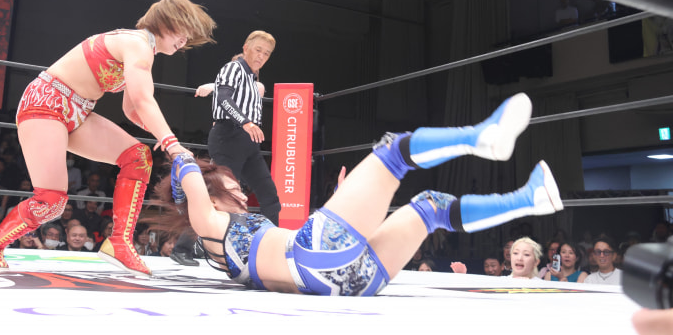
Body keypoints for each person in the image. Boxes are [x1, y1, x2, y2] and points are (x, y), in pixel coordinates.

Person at [151, 93, 564, 296]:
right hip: (316, 255)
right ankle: (481, 136)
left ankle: (529, 199)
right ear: (209, 191)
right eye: (230, 183)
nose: (240, 188)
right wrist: (175, 148)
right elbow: (189, 175)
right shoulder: (210, 224)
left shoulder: (227, 246)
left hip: (347, 280)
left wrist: (342, 204)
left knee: (431, 207)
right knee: (392, 151)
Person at [0, 0, 216, 278]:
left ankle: (119, 242)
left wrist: (165, 139)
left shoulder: (141, 49)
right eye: (184, 30)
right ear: (167, 22)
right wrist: (172, 144)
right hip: (47, 102)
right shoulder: (137, 44)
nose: (185, 40)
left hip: (78, 110)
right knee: (51, 201)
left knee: (137, 157)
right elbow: (143, 101)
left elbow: (131, 109)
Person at [205, 31, 280, 224]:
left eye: (266, 53)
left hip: (249, 144)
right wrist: (245, 122)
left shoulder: (252, 79)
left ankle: (270, 239)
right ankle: (191, 241)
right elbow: (223, 98)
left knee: (269, 195)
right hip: (228, 138)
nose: (261, 56)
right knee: (224, 196)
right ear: (246, 48)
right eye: (258, 50)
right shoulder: (233, 68)